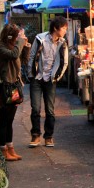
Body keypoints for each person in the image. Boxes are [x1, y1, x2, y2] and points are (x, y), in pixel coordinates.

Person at [27, 16, 68, 148]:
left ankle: (48, 137)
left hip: (51, 80)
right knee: (35, 108)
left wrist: (57, 77)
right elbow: (32, 56)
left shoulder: (63, 43)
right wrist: (30, 73)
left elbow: (65, 62)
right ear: (56, 28)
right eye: (64, 28)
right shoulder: (40, 38)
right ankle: (35, 135)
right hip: (37, 78)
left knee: (50, 110)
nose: (65, 31)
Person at [0, 24, 31, 161]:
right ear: (11, 36)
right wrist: (20, 43)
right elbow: (13, 55)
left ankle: (10, 148)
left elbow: (24, 61)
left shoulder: (14, 47)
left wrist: (26, 47)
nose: (17, 39)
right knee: (4, 120)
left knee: (10, 120)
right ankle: (2, 150)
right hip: (4, 87)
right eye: (16, 36)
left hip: (14, 87)